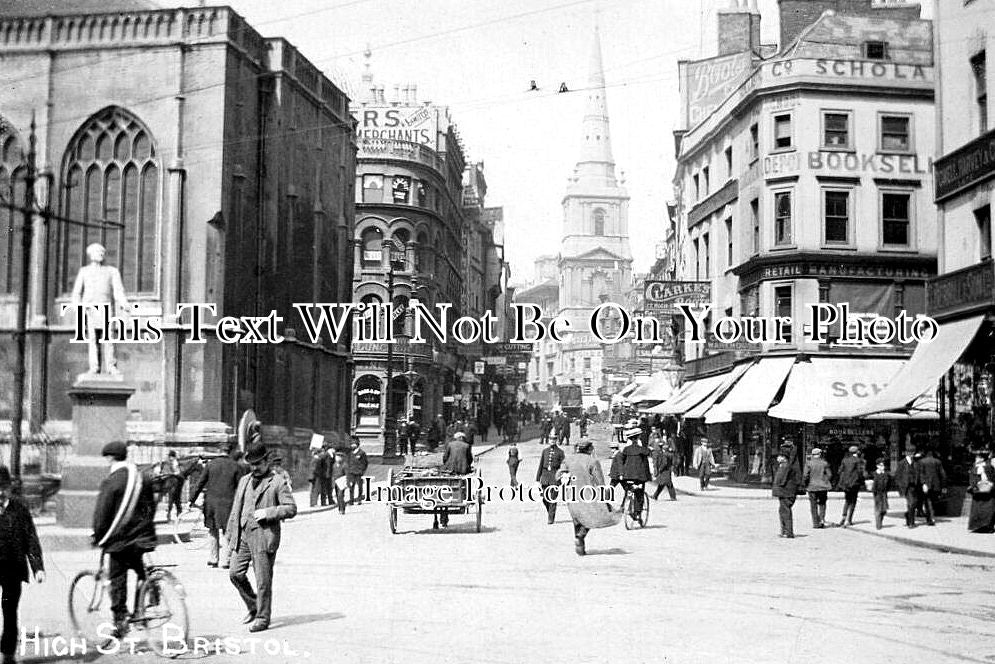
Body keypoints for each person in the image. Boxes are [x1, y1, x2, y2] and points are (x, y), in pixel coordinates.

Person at [226, 442, 298, 632]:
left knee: (263, 581)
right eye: (252, 464)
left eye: (258, 463)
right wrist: (230, 535)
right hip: (243, 534)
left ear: (267, 461)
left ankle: (262, 618)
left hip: (263, 536)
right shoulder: (245, 480)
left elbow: (291, 508)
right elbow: (236, 509)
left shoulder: (277, 482)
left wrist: (269, 512)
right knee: (235, 573)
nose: (255, 467)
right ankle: (253, 605)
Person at [92, 441, 157, 638]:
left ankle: (120, 621)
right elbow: (151, 507)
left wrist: (98, 535)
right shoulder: (142, 477)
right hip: (142, 536)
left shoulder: (112, 482)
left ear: (110, 458)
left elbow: (102, 514)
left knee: (117, 578)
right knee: (139, 570)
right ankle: (142, 607)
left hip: (120, 540)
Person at [0, 466, 45, 664]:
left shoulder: (19, 509)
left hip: (12, 568)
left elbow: (30, 538)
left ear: (9, 487)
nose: (0, 492)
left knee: (10, 612)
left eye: (3, 487)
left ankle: (7, 655)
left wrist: (38, 567)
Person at [69, 242, 129, 375]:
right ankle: (94, 367)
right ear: (91, 254)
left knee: (109, 338)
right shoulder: (84, 272)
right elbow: (76, 293)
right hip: (90, 310)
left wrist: (124, 303)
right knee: (92, 339)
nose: (101, 254)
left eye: (102, 252)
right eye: (98, 251)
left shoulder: (112, 271)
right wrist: (78, 307)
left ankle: (111, 366)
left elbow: (118, 291)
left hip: (106, 308)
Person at [189, 444, 246, 568]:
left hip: (211, 503)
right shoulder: (236, 466)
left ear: (219, 451)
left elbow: (200, 483)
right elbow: (242, 487)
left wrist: (191, 500)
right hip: (228, 503)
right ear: (230, 452)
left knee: (212, 530)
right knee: (227, 532)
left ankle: (213, 559)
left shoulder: (210, 464)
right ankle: (226, 561)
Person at [564, 440, 619, 556]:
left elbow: (558, 475)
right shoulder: (592, 461)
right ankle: (580, 536)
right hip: (588, 494)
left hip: (571, 494)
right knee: (592, 516)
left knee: (577, 518)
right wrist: (605, 498)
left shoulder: (568, 460)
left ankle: (580, 545)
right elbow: (600, 482)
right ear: (589, 449)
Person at [610, 425, 651, 525]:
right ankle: (637, 512)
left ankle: (627, 506)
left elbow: (622, 461)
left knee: (629, 490)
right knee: (639, 493)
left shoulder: (626, 450)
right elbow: (648, 454)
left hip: (628, 476)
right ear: (638, 438)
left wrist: (621, 474)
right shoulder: (642, 449)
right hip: (639, 477)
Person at [536, 437, 566, 524]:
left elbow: (563, 466)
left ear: (556, 440)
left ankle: (551, 518)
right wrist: (538, 479)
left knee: (553, 498)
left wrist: (562, 477)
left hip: (555, 477)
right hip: (545, 476)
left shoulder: (560, 452)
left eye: (554, 439)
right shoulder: (545, 451)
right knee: (544, 498)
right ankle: (550, 510)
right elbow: (541, 465)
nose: (552, 441)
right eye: (550, 439)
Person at [772, 448, 800, 538]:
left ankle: (788, 532)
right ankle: (784, 531)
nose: (777, 458)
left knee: (785, 512)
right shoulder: (785, 466)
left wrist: (777, 487)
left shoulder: (785, 467)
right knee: (783, 511)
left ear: (784, 457)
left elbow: (781, 480)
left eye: (779, 456)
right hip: (786, 492)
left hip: (786, 492)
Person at [802, 447, 832, 528]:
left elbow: (805, 475)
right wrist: (825, 481)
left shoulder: (808, 463)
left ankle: (815, 523)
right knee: (822, 503)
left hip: (812, 487)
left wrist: (805, 484)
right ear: (820, 454)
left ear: (812, 455)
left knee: (813, 505)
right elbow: (829, 475)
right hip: (823, 487)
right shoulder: (824, 463)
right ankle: (822, 519)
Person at [836, 445, 865, 527]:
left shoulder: (844, 460)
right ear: (857, 452)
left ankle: (843, 516)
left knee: (847, 500)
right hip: (854, 483)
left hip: (845, 484)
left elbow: (839, 471)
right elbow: (860, 472)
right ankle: (849, 520)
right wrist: (862, 481)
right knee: (853, 501)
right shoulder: (858, 461)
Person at [967, 451, 995, 533]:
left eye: (977, 457)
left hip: (982, 491)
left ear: (982, 459)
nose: (976, 459)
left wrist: (974, 486)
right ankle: (985, 527)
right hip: (984, 491)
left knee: (983, 509)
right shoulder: (985, 467)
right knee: (985, 510)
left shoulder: (985, 467)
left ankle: (982, 526)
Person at [893, 446, 920, 529]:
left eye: (913, 453)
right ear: (907, 453)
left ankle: (908, 514)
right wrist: (900, 487)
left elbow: (919, 474)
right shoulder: (902, 463)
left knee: (914, 503)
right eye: (910, 453)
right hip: (906, 486)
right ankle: (911, 523)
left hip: (914, 486)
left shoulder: (916, 463)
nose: (911, 455)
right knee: (911, 503)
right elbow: (897, 476)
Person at [918, 450, 946, 526]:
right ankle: (931, 517)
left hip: (926, 485)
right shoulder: (938, 461)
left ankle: (931, 518)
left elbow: (921, 474)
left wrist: (923, 483)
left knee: (928, 501)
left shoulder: (922, 462)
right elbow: (943, 474)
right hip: (936, 485)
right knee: (932, 501)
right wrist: (943, 486)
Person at [163, 450, 184, 521]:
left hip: (173, 481)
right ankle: (171, 514)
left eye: (172, 457)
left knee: (176, 498)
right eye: (170, 457)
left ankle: (177, 513)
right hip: (170, 481)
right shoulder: (168, 463)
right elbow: (167, 471)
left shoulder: (174, 462)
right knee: (174, 498)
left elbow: (178, 471)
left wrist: (176, 473)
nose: (171, 458)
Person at [347, 437, 368, 505]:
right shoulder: (350, 453)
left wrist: (362, 470)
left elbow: (365, 463)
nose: (352, 446)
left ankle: (359, 499)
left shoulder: (362, 453)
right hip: (351, 472)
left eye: (353, 444)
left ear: (357, 445)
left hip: (359, 472)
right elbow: (348, 462)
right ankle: (351, 499)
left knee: (359, 487)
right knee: (351, 486)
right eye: (351, 444)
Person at [872, 459, 890, 530]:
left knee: (884, 510)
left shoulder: (885, 474)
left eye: (883, 465)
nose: (883, 467)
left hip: (884, 493)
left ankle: (880, 521)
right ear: (877, 466)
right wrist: (874, 492)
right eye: (881, 465)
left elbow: (889, 484)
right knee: (878, 509)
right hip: (877, 493)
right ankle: (878, 525)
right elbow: (873, 485)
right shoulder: (875, 474)